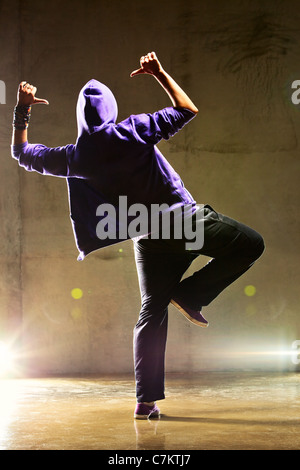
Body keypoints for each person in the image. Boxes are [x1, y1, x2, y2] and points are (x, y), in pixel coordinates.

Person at [11, 52, 264, 420]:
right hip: (182, 223)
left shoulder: (76, 157)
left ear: (80, 118)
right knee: (251, 244)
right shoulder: (131, 130)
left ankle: (146, 402)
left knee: (151, 312)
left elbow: (21, 153)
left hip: (146, 235)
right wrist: (159, 73)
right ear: (111, 109)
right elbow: (187, 108)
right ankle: (191, 293)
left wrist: (23, 110)